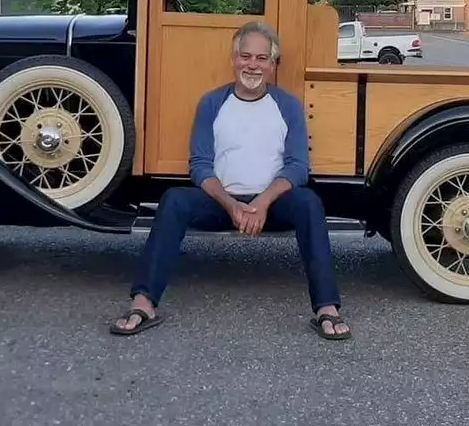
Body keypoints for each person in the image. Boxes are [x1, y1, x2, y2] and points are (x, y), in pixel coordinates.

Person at [110, 20, 352, 340]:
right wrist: (232, 203)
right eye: (246, 56)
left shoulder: (288, 106)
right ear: (235, 59)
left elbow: (297, 167)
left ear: (273, 64)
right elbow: (200, 166)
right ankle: (144, 303)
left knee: (309, 202)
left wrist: (262, 203)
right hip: (222, 202)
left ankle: (326, 308)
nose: (253, 65)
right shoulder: (212, 103)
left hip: (272, 205)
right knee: (174, 200)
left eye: (262, 58)